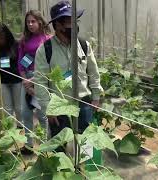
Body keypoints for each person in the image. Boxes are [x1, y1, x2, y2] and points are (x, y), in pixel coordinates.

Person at [34, 1, 103, 143]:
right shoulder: (45, 49)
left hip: (83, 104)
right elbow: (40, 82)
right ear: (57, 25)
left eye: (74, 21)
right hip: (59, 107)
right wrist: (49, 109)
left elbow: (93, 72)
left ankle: (81, 166)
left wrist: (95, 97)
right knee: (61, 148)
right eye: (68, 22)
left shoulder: (84, 45)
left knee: (86, 145)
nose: (74, 26)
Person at [17, 10, 51, 155]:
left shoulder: (49, 40)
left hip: (42, 80)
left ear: (40, 22)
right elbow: (21, 60)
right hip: (26, 80)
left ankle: (46, 146)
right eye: (28, 22)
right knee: (25, 113)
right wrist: (25, 79)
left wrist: (34, 82)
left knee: (43, 114)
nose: (30, 24)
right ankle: (28, 145)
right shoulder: (24, 40)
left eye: (33, 21)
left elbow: (51, 64)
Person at [0, 23, 22, 132]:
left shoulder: (16, 45)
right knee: (7, 108)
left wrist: (26, 73)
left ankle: (21, 127)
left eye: (2, 37)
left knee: (19, 107)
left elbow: (23, 60)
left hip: (17, 81)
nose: (0, 40)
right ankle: (9, 130)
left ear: (7, 35)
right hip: (2, 82)